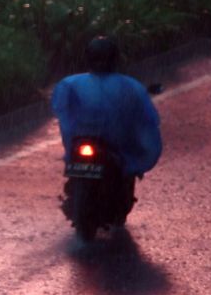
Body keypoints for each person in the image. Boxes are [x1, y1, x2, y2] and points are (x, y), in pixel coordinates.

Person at [51, 36, 162, 217]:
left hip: (80, 141)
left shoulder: (70, 83)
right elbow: (145, 120)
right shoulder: (129, 86)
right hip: (112, 145)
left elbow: (61, 110)